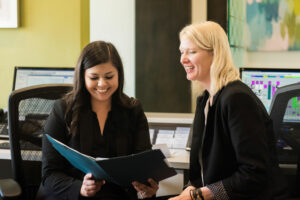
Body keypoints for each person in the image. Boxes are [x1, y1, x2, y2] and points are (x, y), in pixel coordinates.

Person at [170, 21, 289, 200]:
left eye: (192, 52)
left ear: (215, 54)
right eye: (182, 52)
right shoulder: (205, 100)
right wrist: (190, 189)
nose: (183, 59)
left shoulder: (236, 98)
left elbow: (253, 174)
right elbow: (200, 172)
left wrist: (197, 196)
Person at [39, 41, 158, 200]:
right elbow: (49, 174)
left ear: (119, 75)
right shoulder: (63, 110)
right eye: (94, 77)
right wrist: (79, 188)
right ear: (82, 76)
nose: (102, 84)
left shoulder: (132, 110)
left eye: (109, 76)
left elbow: (143, 164)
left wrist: (147, 187)